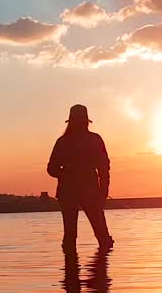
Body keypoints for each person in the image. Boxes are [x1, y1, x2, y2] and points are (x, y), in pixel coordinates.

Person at [47, 104, 114, 250]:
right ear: (86, 121)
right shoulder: (93, 140)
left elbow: (52, 169)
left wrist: (103, 191)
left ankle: (71, 269)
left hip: (74, 192)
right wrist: (103, 190)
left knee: (72, 235)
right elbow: (104, 168)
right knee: (101, 235)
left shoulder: (63, 142)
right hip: (83, 191)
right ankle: (100, 269)